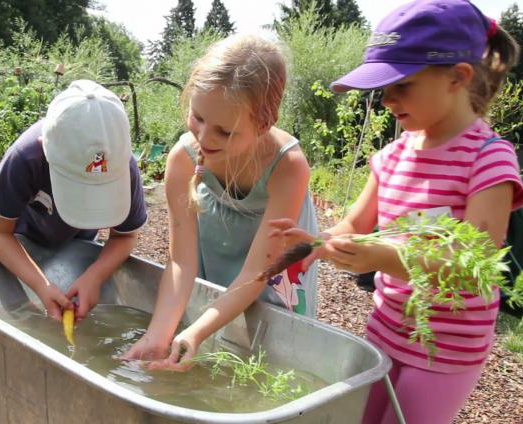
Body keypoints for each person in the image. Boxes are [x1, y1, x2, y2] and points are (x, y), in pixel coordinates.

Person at [269, 1, 523, 423]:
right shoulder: (392, 156)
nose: (386, 99)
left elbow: (474, 266)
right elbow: (355, 224)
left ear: (457, 78)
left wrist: (384, 258)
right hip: (384, 330)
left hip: (446, 350)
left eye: (400, 85)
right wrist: (316, 243)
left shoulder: (488, 159)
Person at [121, 34, 319, 366]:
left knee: (268, 359)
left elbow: (258, 273)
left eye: (224, 132)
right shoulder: (183, 160)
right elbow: (182, 263)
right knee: (210, 340)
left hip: (270, 272)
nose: (203, 138)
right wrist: (159, 334)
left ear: (263, 123)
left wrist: (193, 334)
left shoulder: (288, 167)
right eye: (197, 117)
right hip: (219, 252)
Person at [0, 79, 147, 322]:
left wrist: (94, 276)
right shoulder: (27, 156)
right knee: (20, 317)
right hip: (18, 242)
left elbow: (125, 236)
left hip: (78, 244)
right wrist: (40, 285)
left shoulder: (125, 169)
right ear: (45, 148)